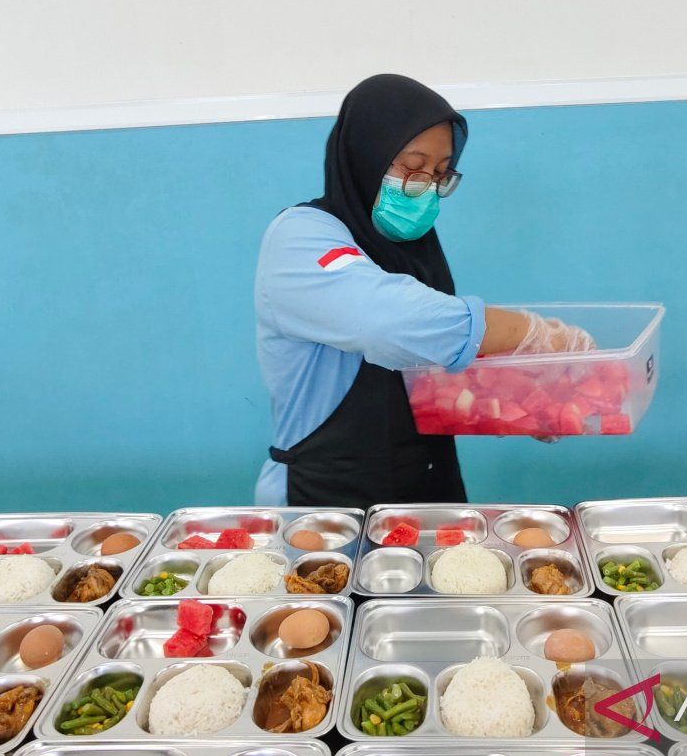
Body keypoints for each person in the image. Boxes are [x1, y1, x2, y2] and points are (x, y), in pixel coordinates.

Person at [254, 74, 593, 508]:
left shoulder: (414, 248)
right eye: (413, 166)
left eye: (439, 172)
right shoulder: (300, 236)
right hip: (327, 501)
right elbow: (390, 322)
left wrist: (524, 395)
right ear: (365, 155)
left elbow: (435, 364)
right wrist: (538, 336)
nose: (426, 185)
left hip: (425, 485)